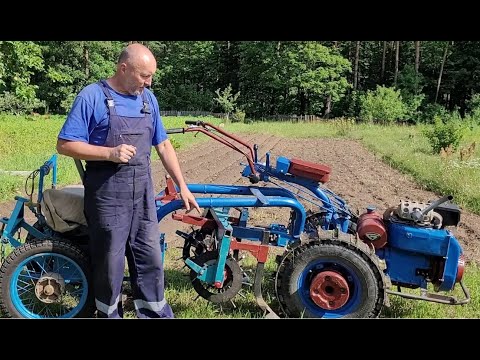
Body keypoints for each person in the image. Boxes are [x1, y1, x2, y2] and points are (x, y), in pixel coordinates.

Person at [56, 43, 200, 318]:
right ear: (123, 68)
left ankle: (154, 314)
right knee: (109, 265)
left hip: (142, 195)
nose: (149, 82)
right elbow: (65, 144)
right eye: (144, 76)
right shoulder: (92, 97)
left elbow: (164, 145)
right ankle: (109, 314)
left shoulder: (148, 100)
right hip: (107, 195)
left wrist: (182, 185)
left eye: (151, 76)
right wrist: (109, 153)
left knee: (150, 260)